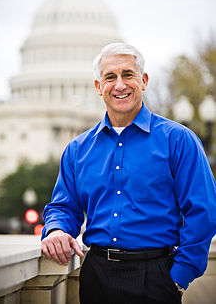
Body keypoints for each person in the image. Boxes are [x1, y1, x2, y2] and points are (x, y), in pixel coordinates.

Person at [41, 43, 216, 304]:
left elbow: (203, 211)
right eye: (110, 77)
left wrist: (178, 278)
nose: (120, 84)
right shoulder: (77, 150)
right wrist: (56, 230)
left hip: (157, 276)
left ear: (143, 81)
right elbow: (64, 206)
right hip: (96, 275)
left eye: (128, 74)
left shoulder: (178, 140)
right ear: (98, 87)